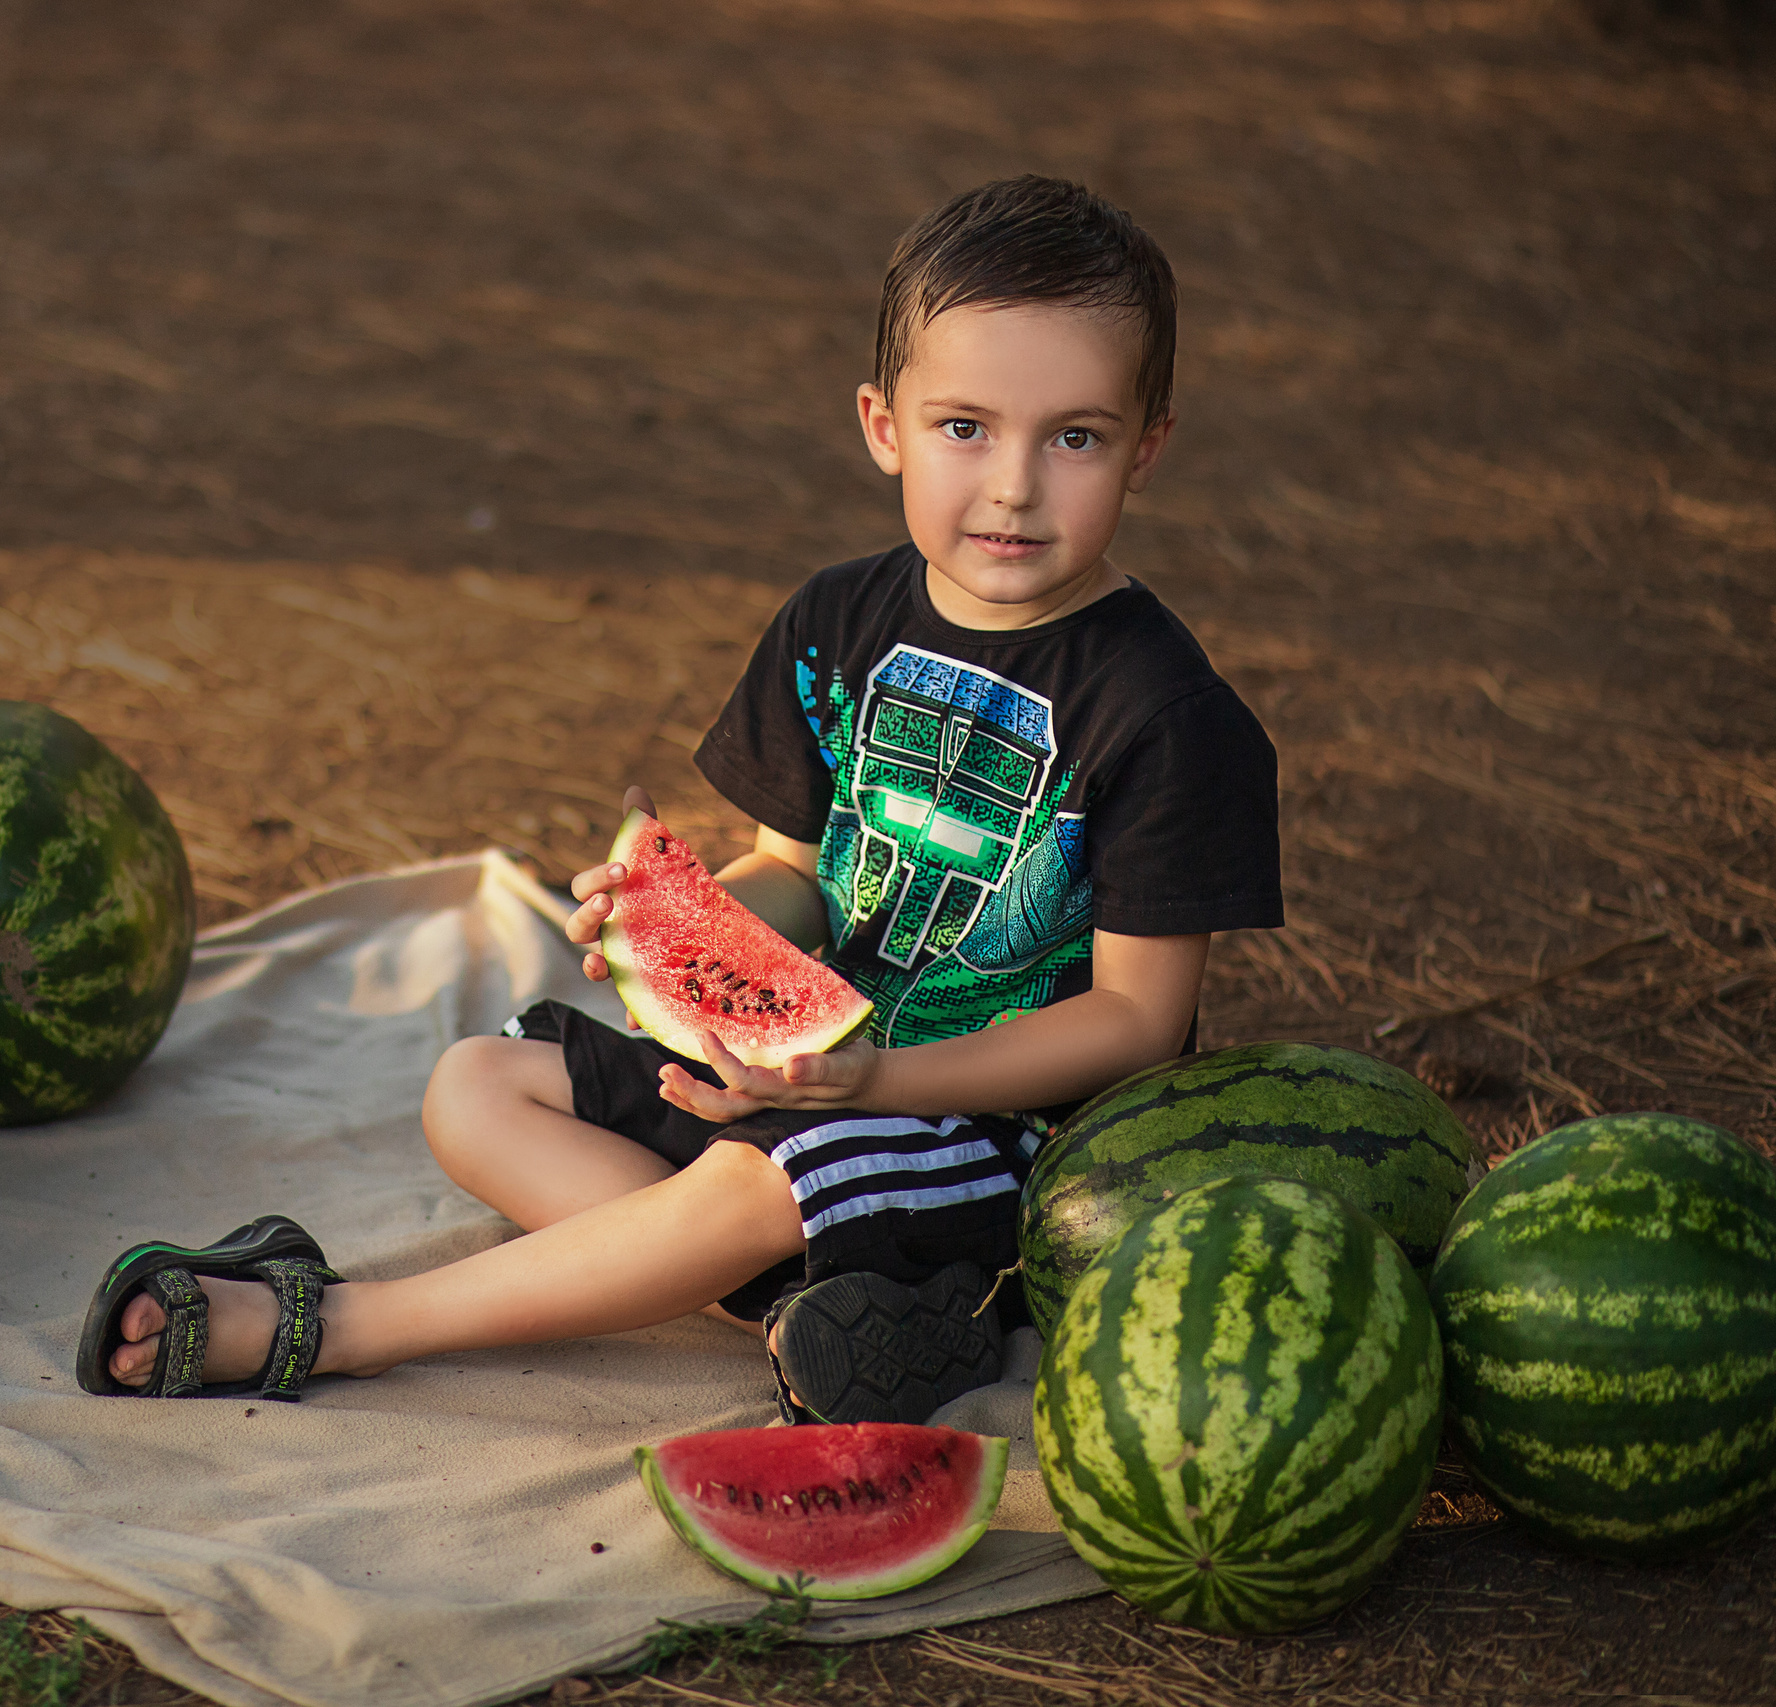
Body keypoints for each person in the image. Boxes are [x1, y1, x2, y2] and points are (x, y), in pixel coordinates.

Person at [75, 175, 1283, 1419]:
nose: (1013, 486)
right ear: (883, 426)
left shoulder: (1168, 717)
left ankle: (339, 1325)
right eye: (964, 427)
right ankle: (845, 1316)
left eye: (1071, 436)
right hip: (807, 1086)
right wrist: (684, 913)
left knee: (754, 1193)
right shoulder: (837, 620)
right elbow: (799, 879)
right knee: (477, 1089)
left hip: (1000, 1139)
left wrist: (880, 1085)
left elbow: (1136, 1024)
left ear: (1147, 446)